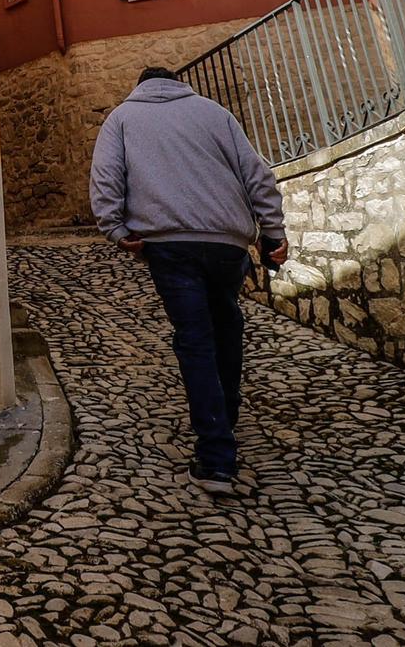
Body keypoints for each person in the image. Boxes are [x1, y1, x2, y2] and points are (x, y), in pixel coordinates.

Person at [90, 65, 286, 495]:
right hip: (226, 243)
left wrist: (118, 231)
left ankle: (217, 457)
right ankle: (225, 419)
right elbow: (258, 175)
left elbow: (106, 181)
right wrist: (273, 232)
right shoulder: (214, 112)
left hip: (169, 245)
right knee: (226, 325)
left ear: (139, 87)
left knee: (195, 338)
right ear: (179, 83)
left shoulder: (121, 118)